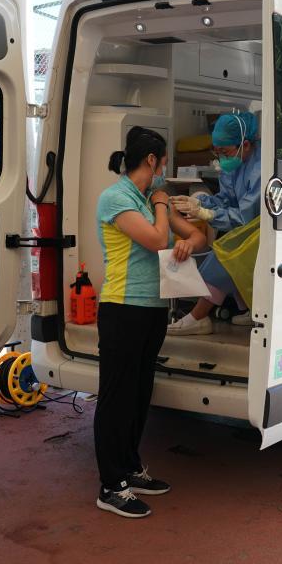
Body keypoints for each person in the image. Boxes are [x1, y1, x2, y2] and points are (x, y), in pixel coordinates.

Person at [95, 126, 206, 519]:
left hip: (153, 309)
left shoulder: (150, 198)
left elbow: (199, 236)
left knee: (140, 394)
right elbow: (157, 240)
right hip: (122, 308)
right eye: (163, 163)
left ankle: (130, 468)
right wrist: (161, 205)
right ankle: (111, 485)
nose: (163, 172)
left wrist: (188, 243)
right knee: (116, 397)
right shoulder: (117, 198)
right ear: (151, 160)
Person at [167, 112, 261, 336]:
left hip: (261, 228)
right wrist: (200, 202)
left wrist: (206, 213)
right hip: (245, 228)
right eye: (217, 152)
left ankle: (198, 317)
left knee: (225, 255)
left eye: (224, 152)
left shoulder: (261, 168)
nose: (221, 158)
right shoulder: (233, 166)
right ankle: (252, 308)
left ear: (245, 145)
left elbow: (245, 216)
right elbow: (225, 200)